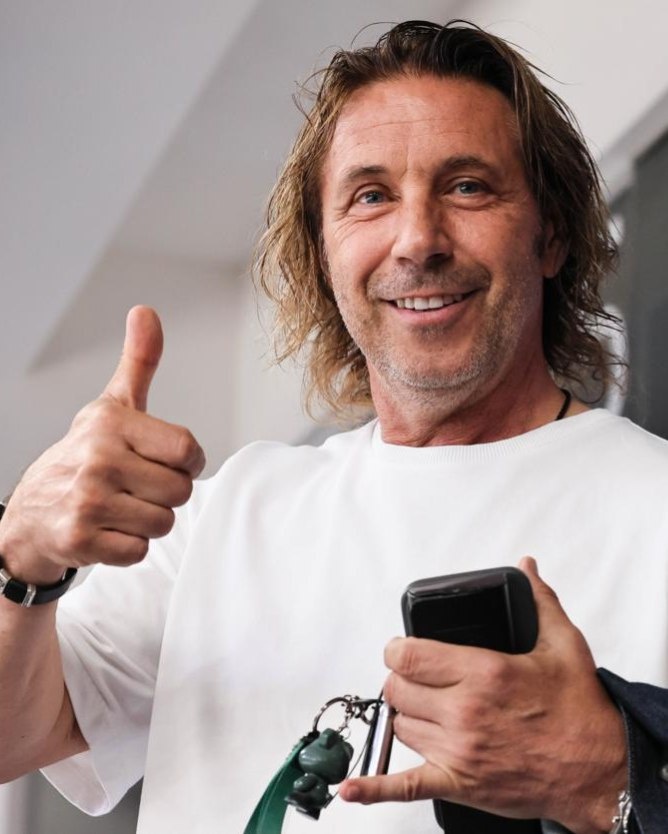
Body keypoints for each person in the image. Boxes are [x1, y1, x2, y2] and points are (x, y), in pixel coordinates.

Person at [0, 19, 666, 834]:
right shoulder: (228, 512)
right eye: (371, 196)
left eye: (467, 187)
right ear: (324, 252)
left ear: (550, 235)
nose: (417, 240)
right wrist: (21, 559)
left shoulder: (656, 508)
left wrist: (612, 780)